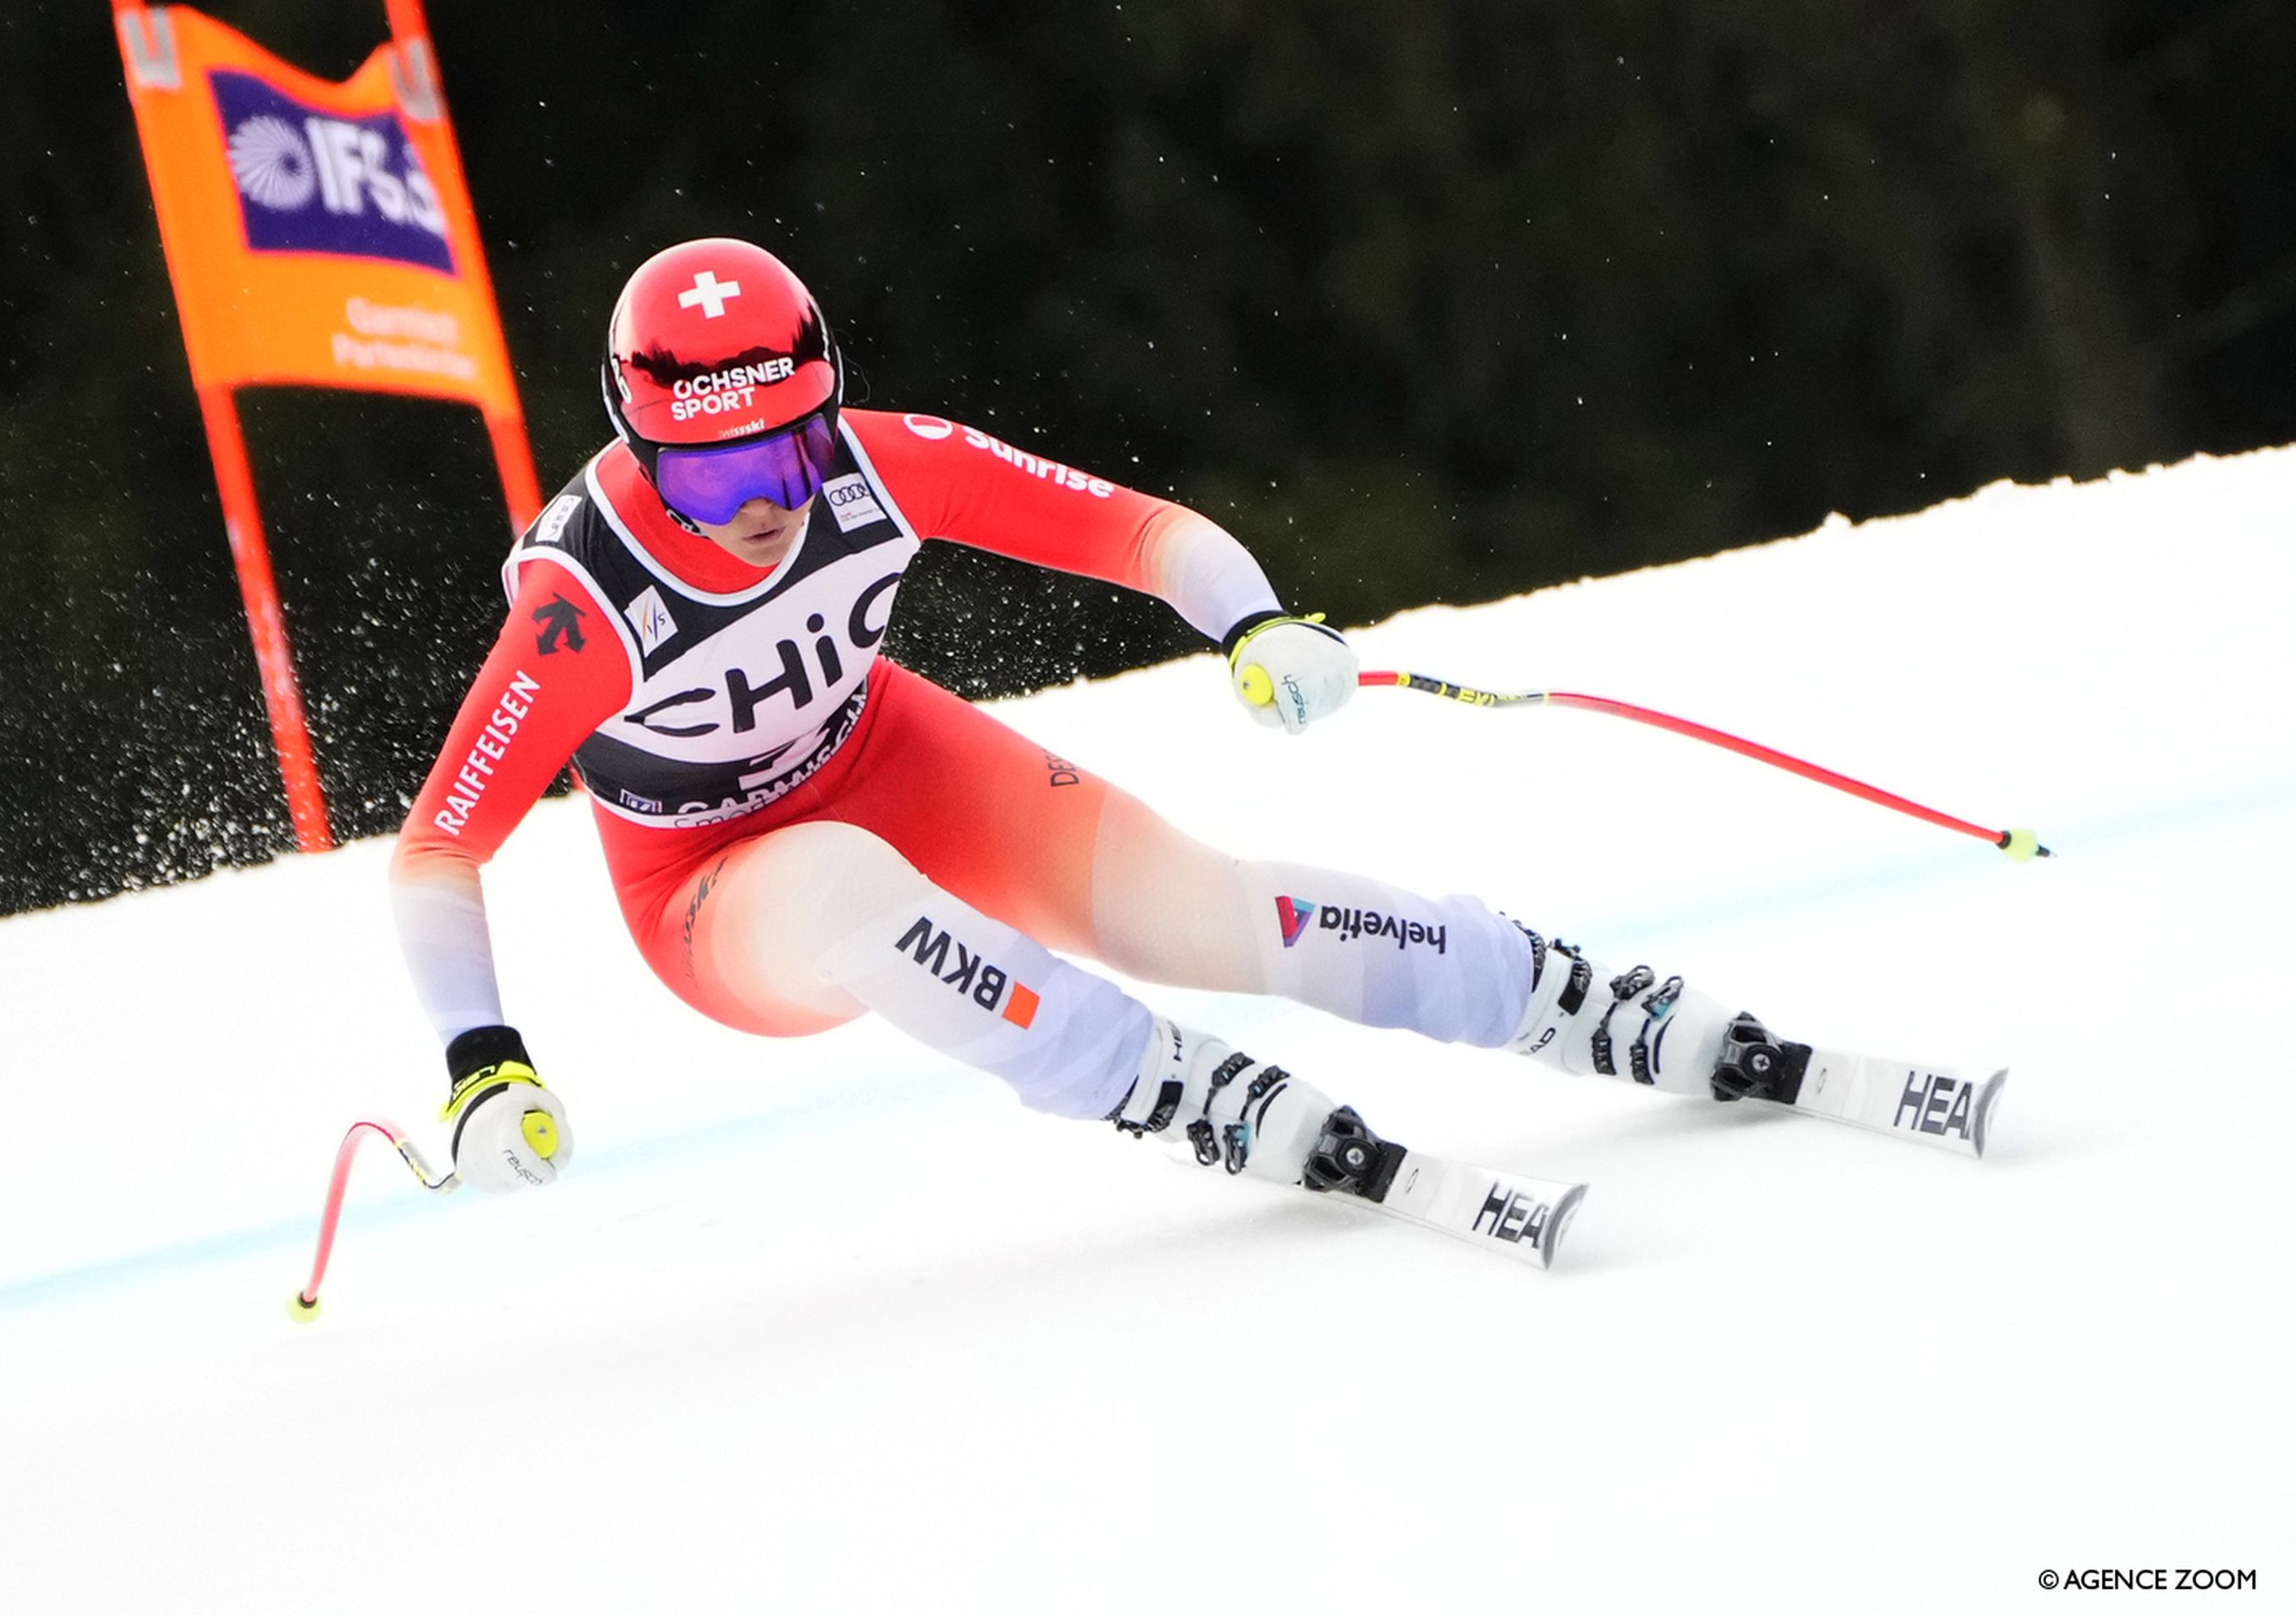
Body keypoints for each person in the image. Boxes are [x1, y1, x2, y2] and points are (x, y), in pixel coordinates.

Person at [391, 237, 1795, 1200]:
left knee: (1204, 908)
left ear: (833, 414)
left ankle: (1546, 991)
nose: (762, 503)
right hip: (709, 893)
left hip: (886, 756)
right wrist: (481, 1065)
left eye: (792, 449)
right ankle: (1149, 1080)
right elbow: (439, 851)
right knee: (841, 888)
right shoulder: (583, 607)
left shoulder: (887, 466)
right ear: (642, 460)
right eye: (711, 477)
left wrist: (1251, 619)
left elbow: (1130, 530)